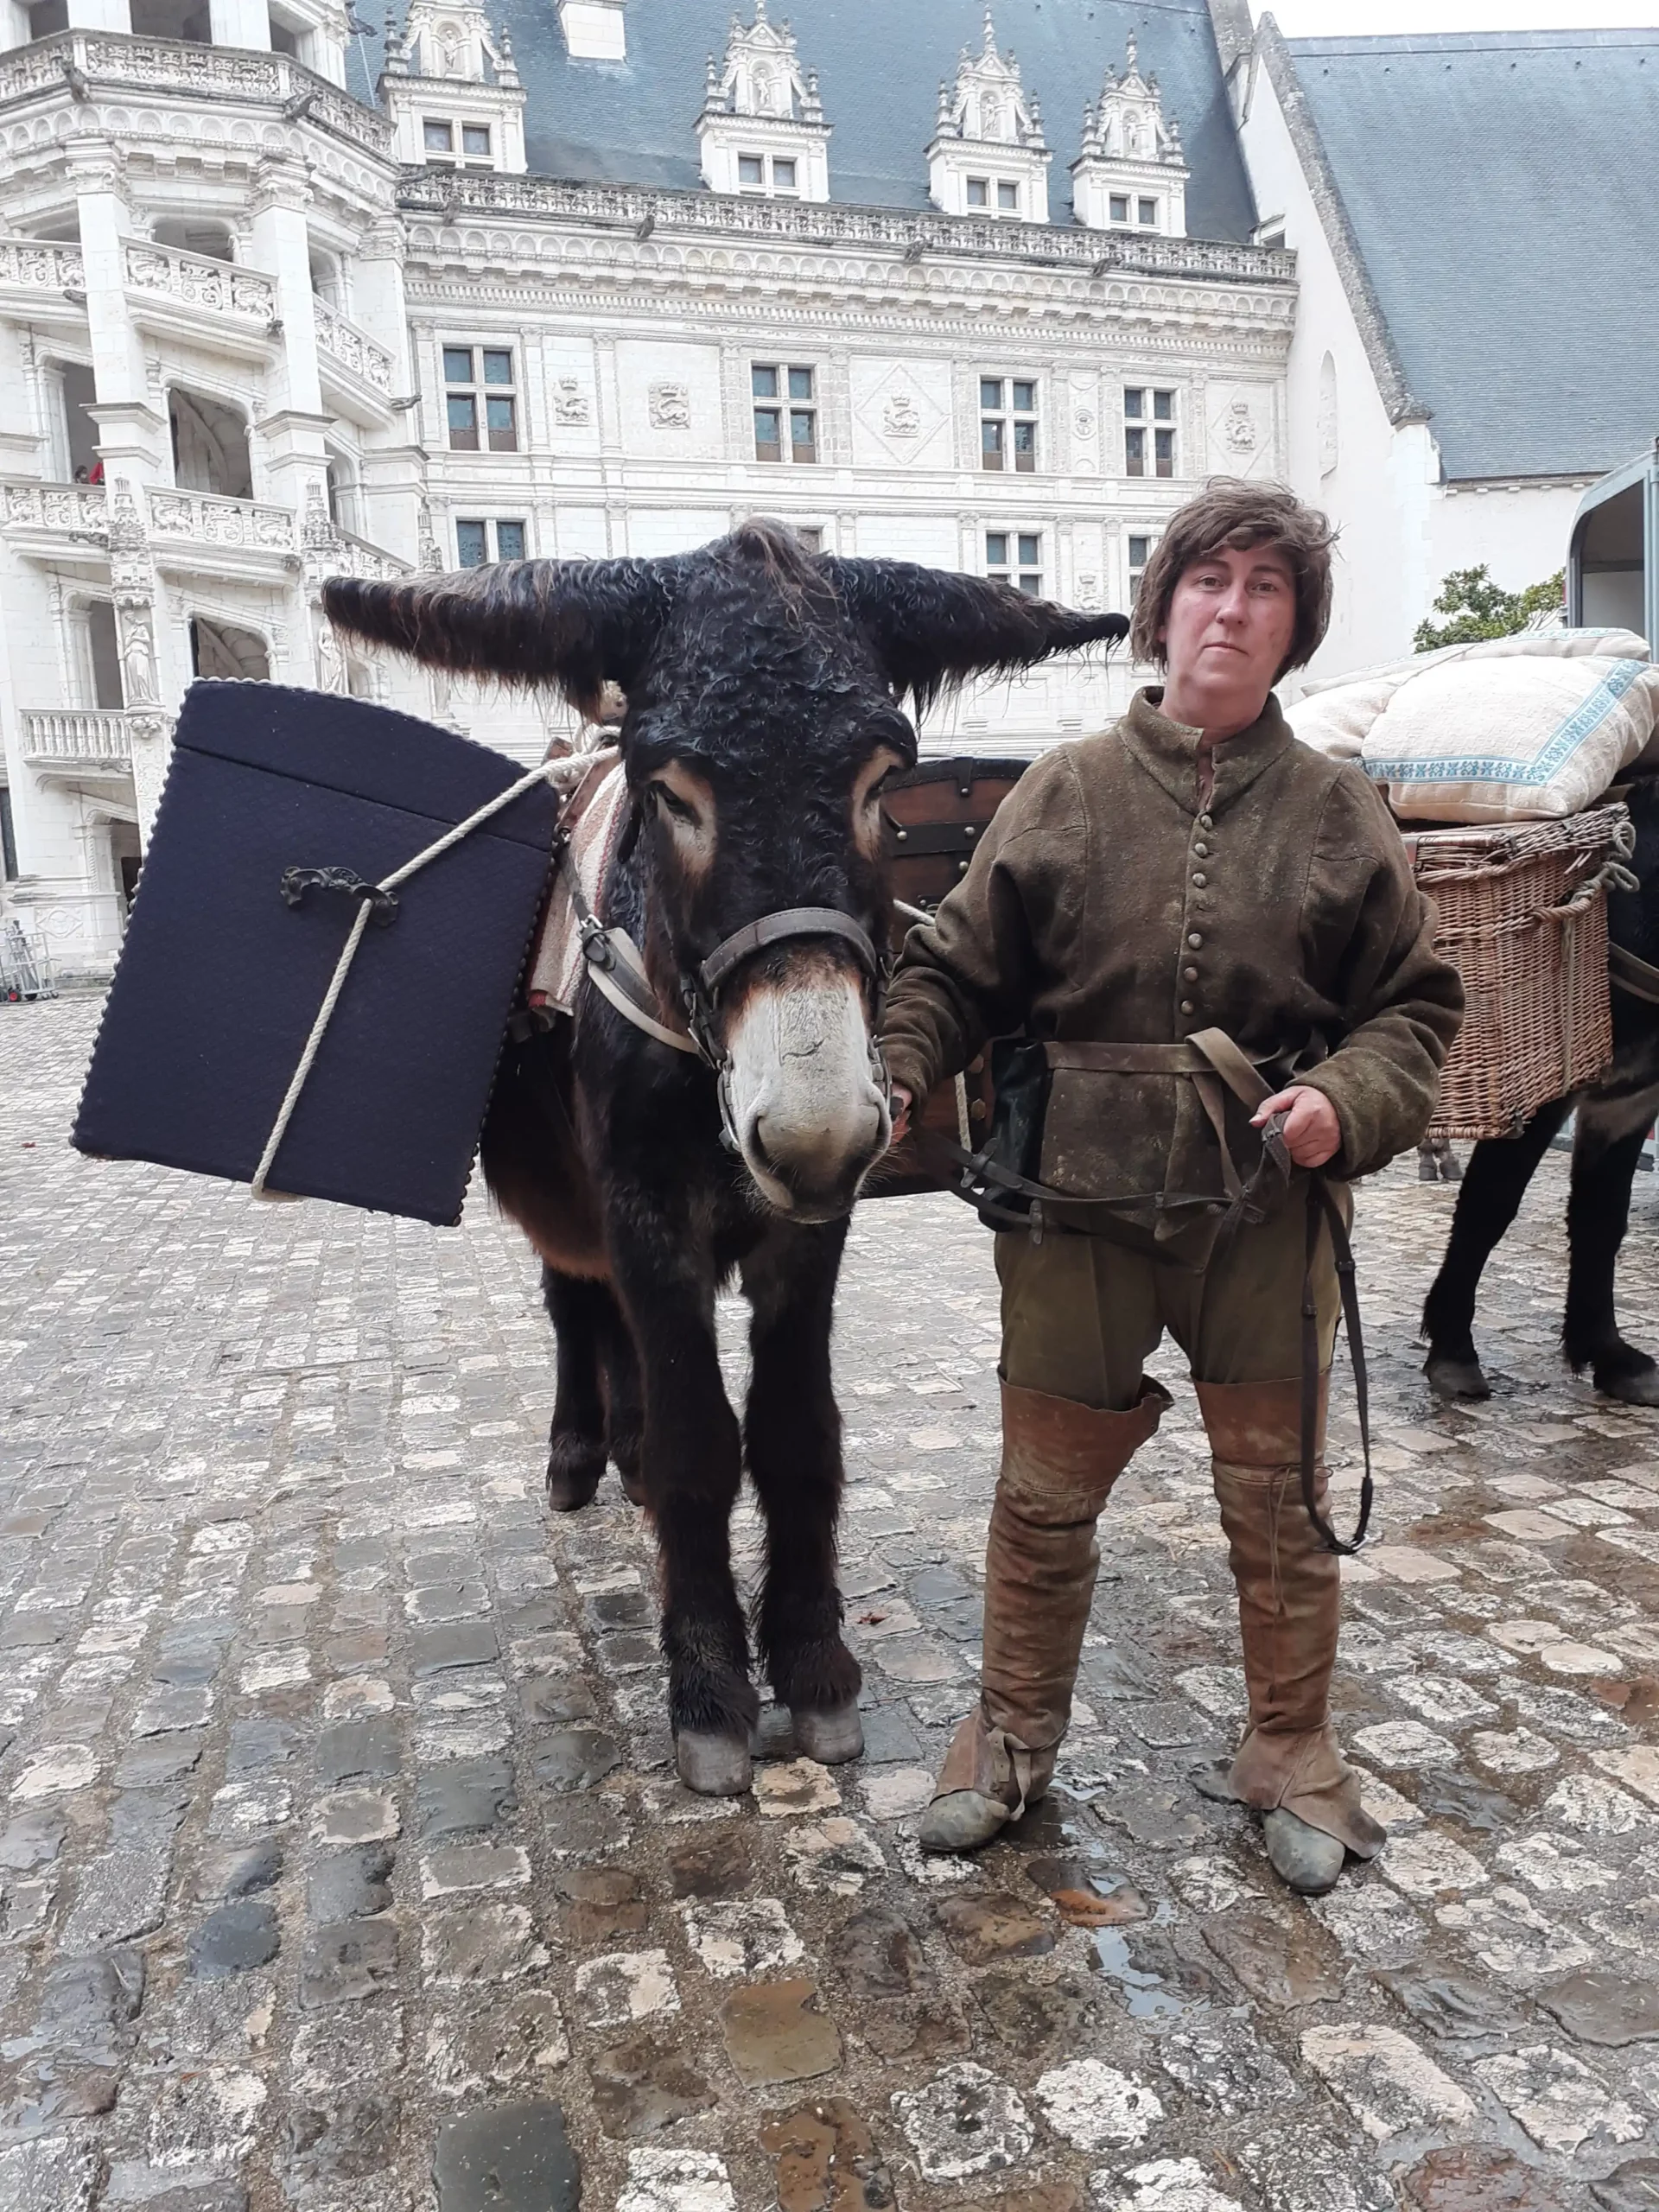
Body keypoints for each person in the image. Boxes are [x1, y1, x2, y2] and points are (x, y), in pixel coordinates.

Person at [880, 480, 1464, 1894]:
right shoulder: (1066, 788)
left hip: (1265, 1209)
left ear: (1292, 630)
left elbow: (1418, 1008)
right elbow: (952, 973)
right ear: (1165, 608)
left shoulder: (1338, 810)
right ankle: (1011, 1738)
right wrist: (896, 1071)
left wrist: (1345, 1100)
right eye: (1211, 581)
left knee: (1280, 1500)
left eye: (1266, 589)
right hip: (1074, 1208)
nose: (1233, 608)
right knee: (1043, 1492)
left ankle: (1294, 1753)